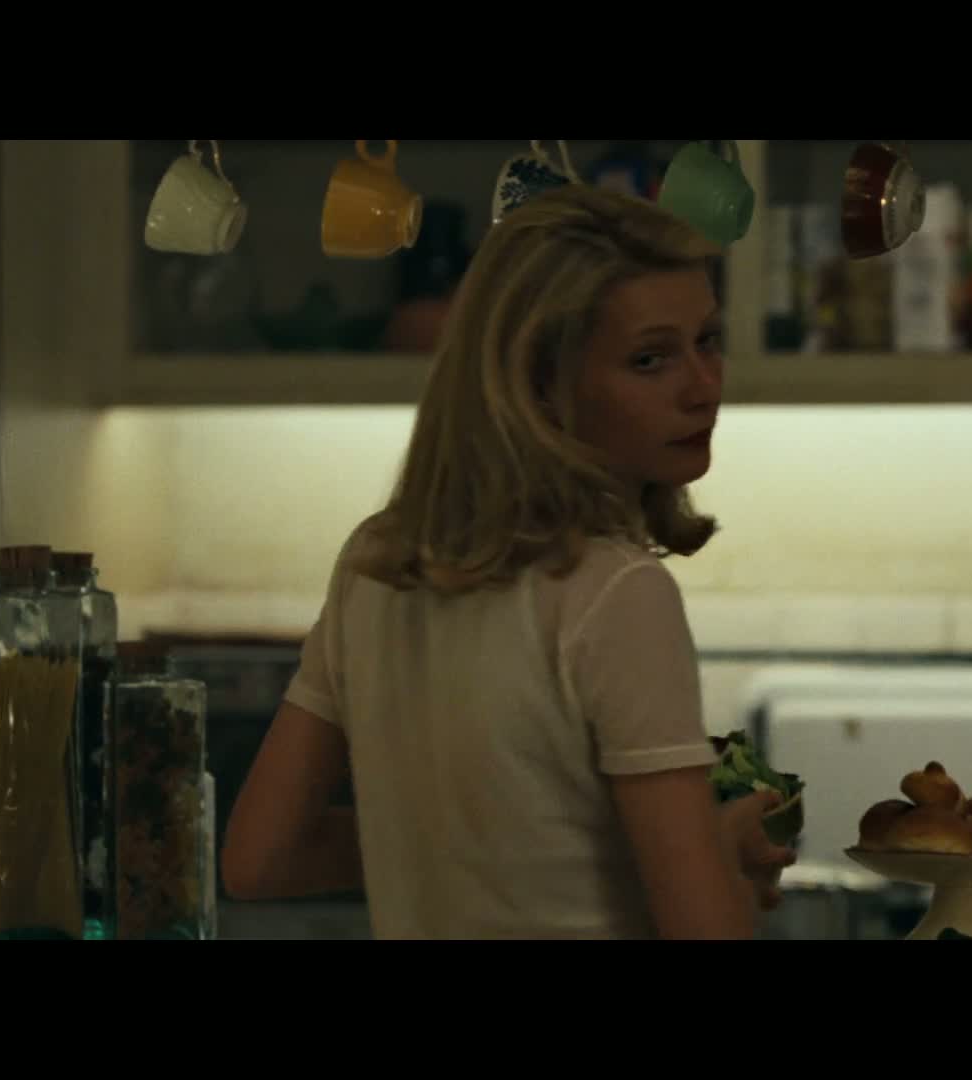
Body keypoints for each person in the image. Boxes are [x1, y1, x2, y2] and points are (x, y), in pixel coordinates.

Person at [221, 182, 793, 939]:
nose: (703, 386)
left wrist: (490, 850)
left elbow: (261, 860)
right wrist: (716, 857)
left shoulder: (376, 563)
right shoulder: (617, 593)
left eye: (708, 341)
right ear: (539, 386)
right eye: (651, 359)